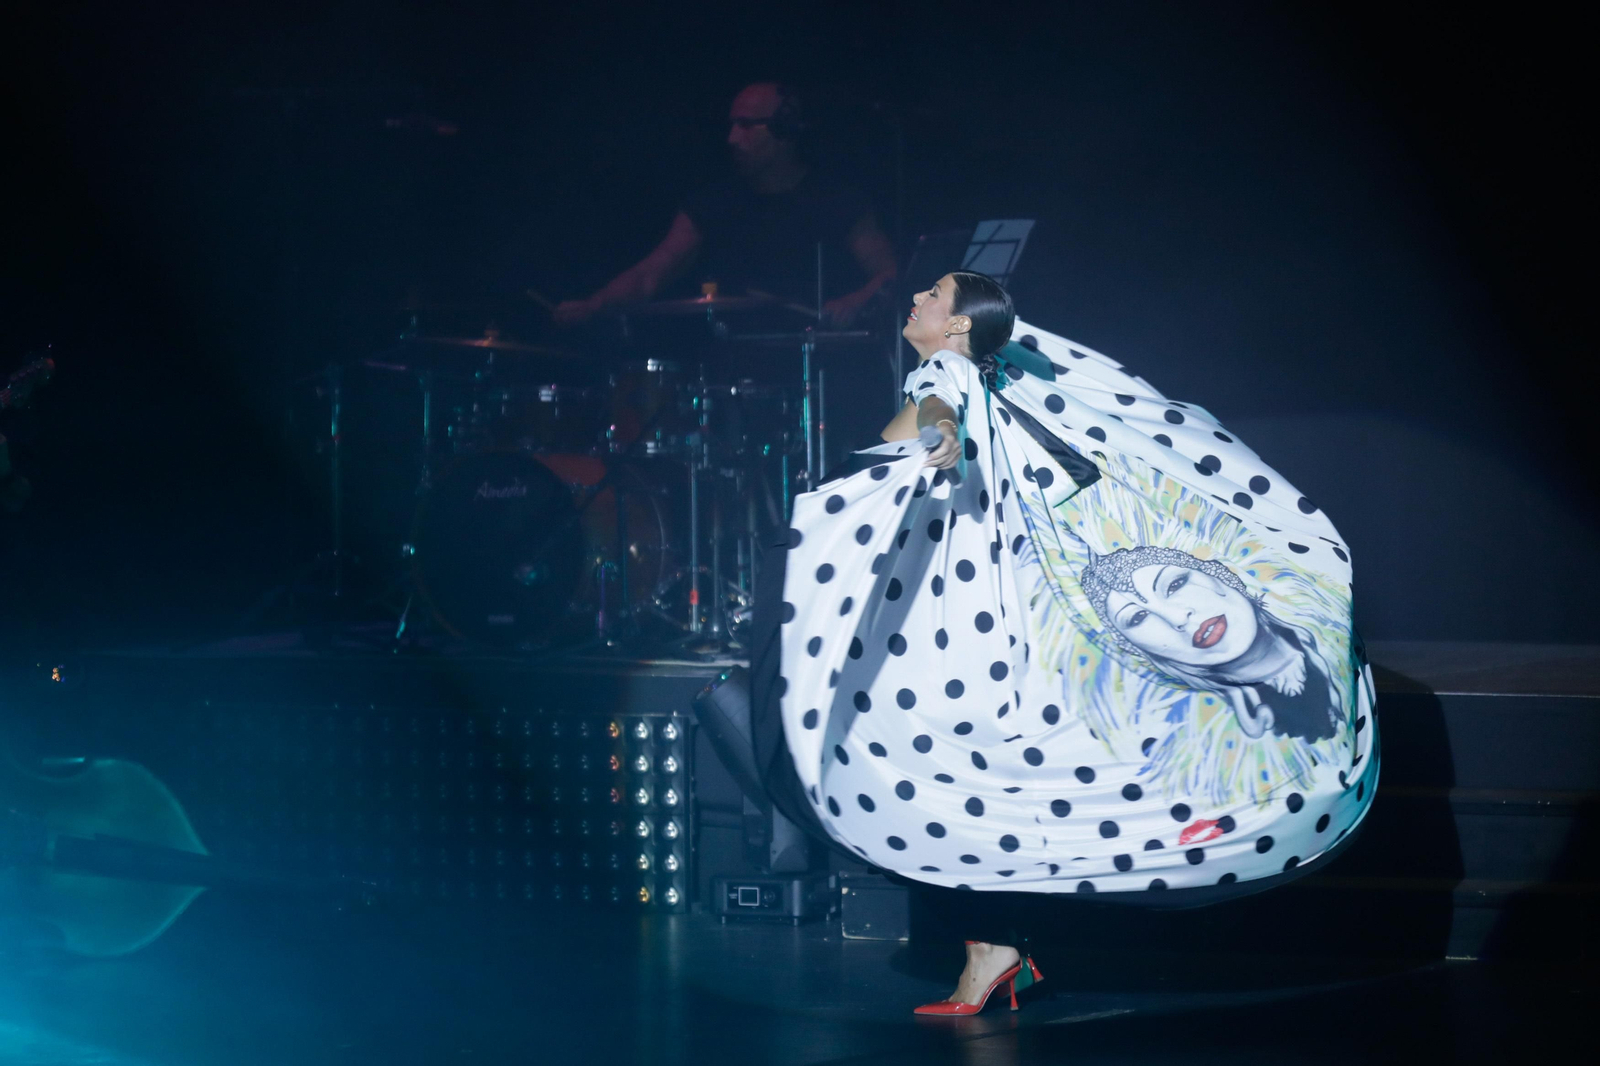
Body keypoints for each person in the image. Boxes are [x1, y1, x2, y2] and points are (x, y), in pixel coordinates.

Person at [754, 270, 1379, 1014]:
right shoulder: (1001, 375)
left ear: (958, 327)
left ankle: (996, 948)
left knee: (919, 760)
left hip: (972, 606)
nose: (916, 298)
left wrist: (940, 434)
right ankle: (996, 947)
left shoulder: (949, 371)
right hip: (986, 600)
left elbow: (937, 408)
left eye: (933, 294)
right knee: (954, 766)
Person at [553, 83, 897, 329]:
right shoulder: (714, 204)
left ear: (784, 130)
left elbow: (891, 273)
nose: (732, 138)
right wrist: (595, 303)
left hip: (822, 370)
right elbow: (652, 273)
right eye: (732, 126)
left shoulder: (837, 201)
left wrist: (858, 299)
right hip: (732, 370)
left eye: (746, 126)